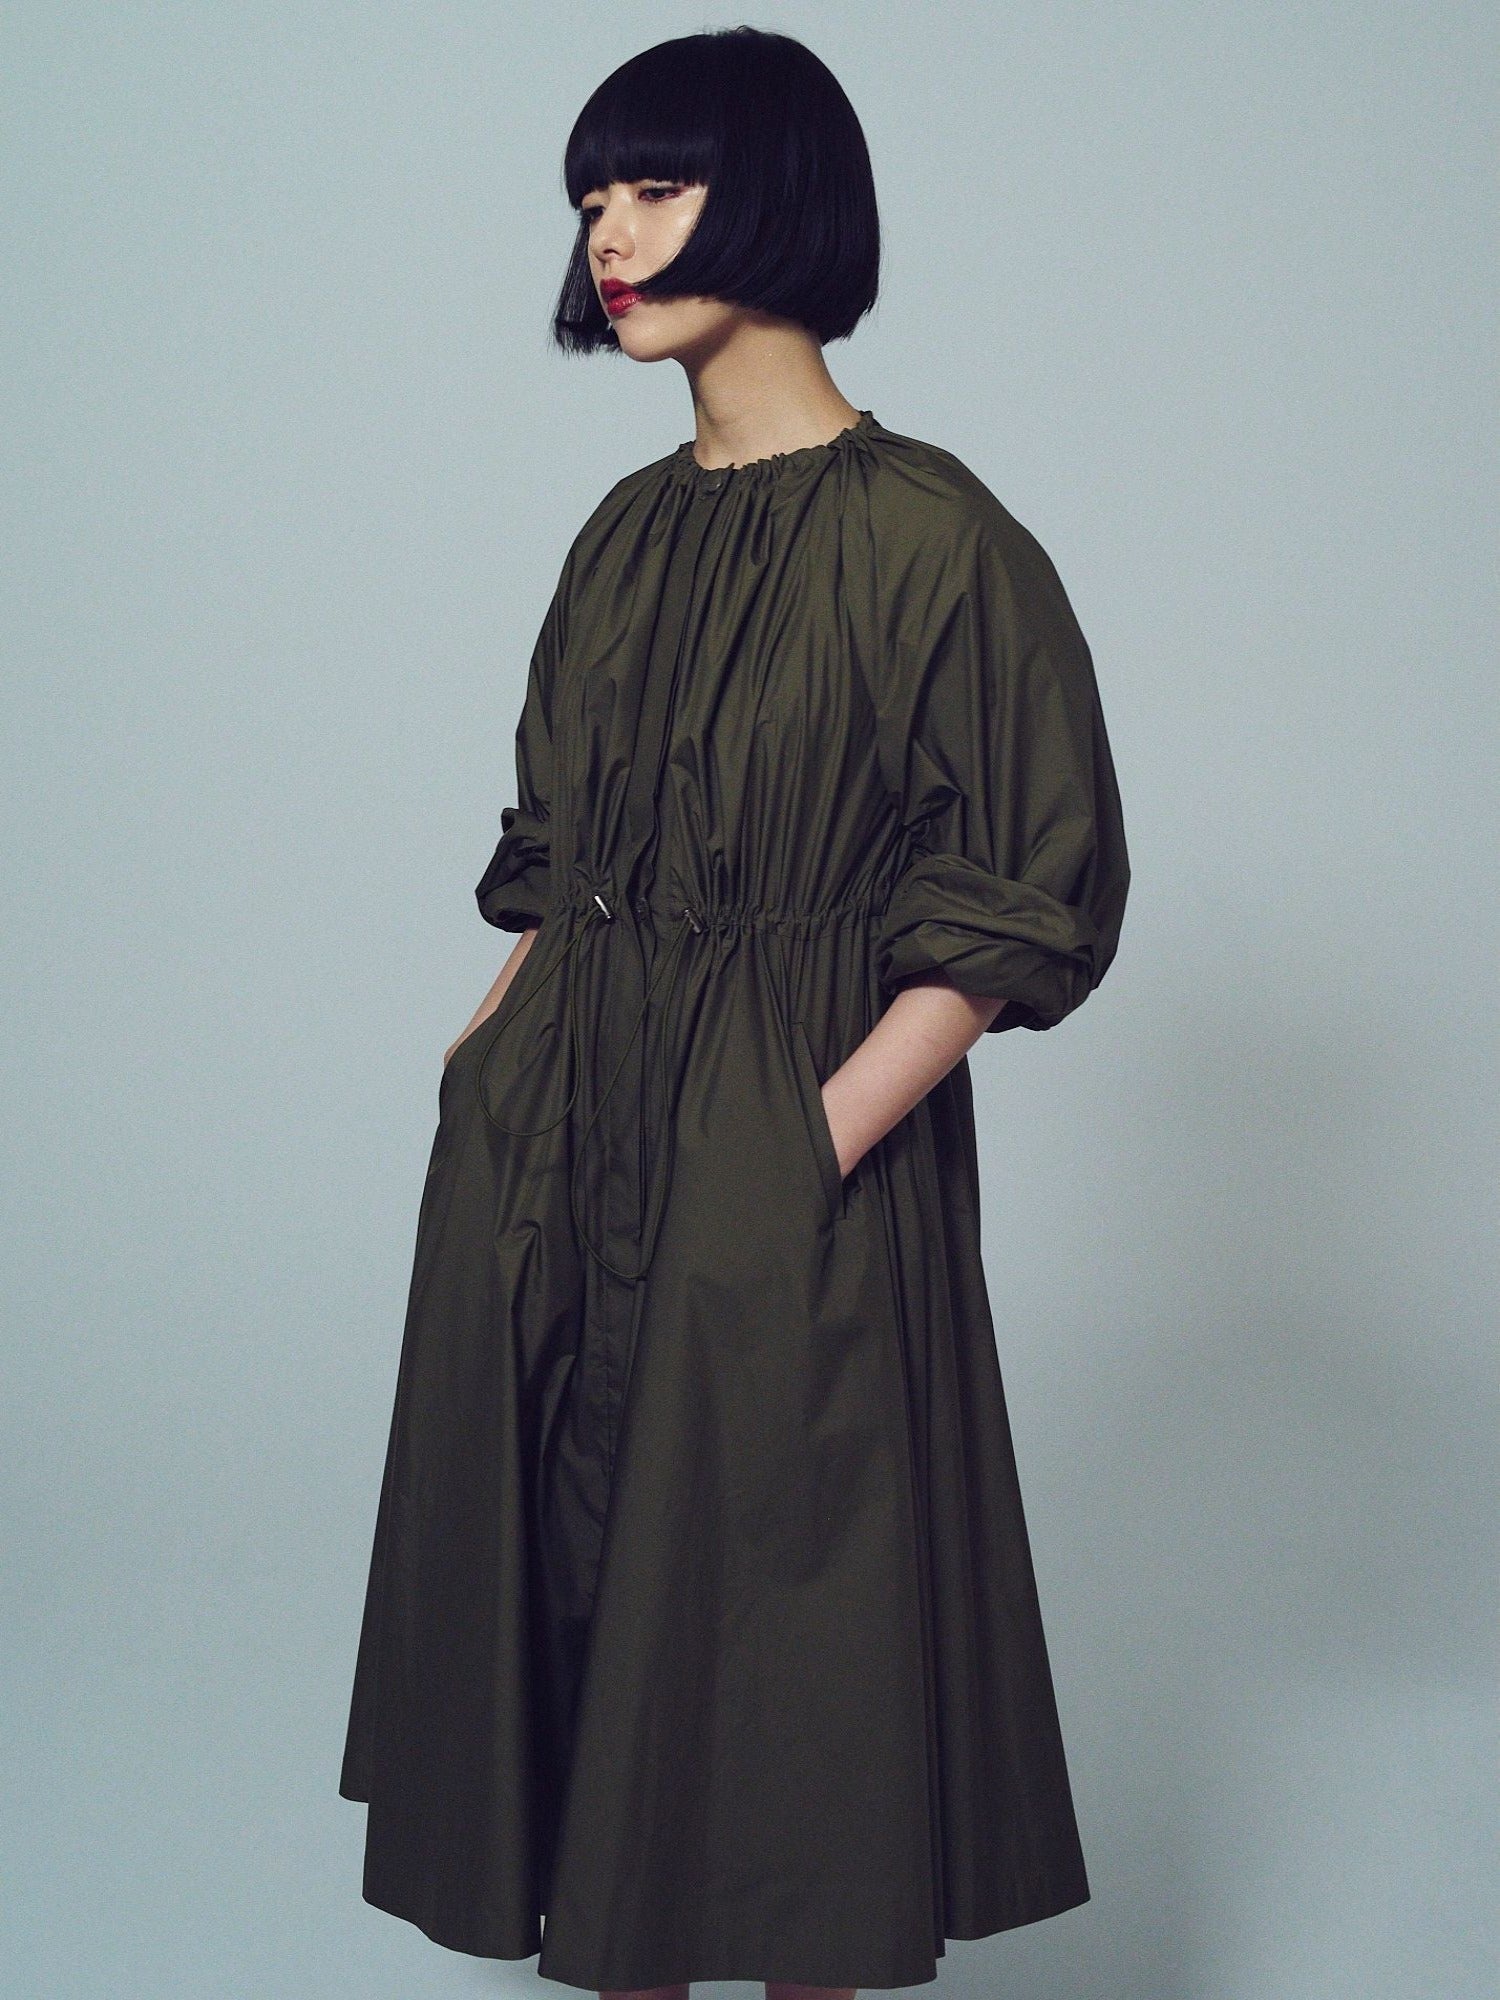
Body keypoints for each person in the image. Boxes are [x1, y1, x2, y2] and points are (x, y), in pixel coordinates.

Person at [338, 26, 1130, 2000]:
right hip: (557, 1147)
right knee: (575, 1636)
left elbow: (1015, 894)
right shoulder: (621, 535)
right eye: (591, 200)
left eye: (655, 188)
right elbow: (562, 853)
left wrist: (809, 1140)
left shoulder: (936, 536)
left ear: (776, 194)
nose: (608, 236)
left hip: (790, 1153)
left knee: (791, 1677)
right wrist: (482, 1065)